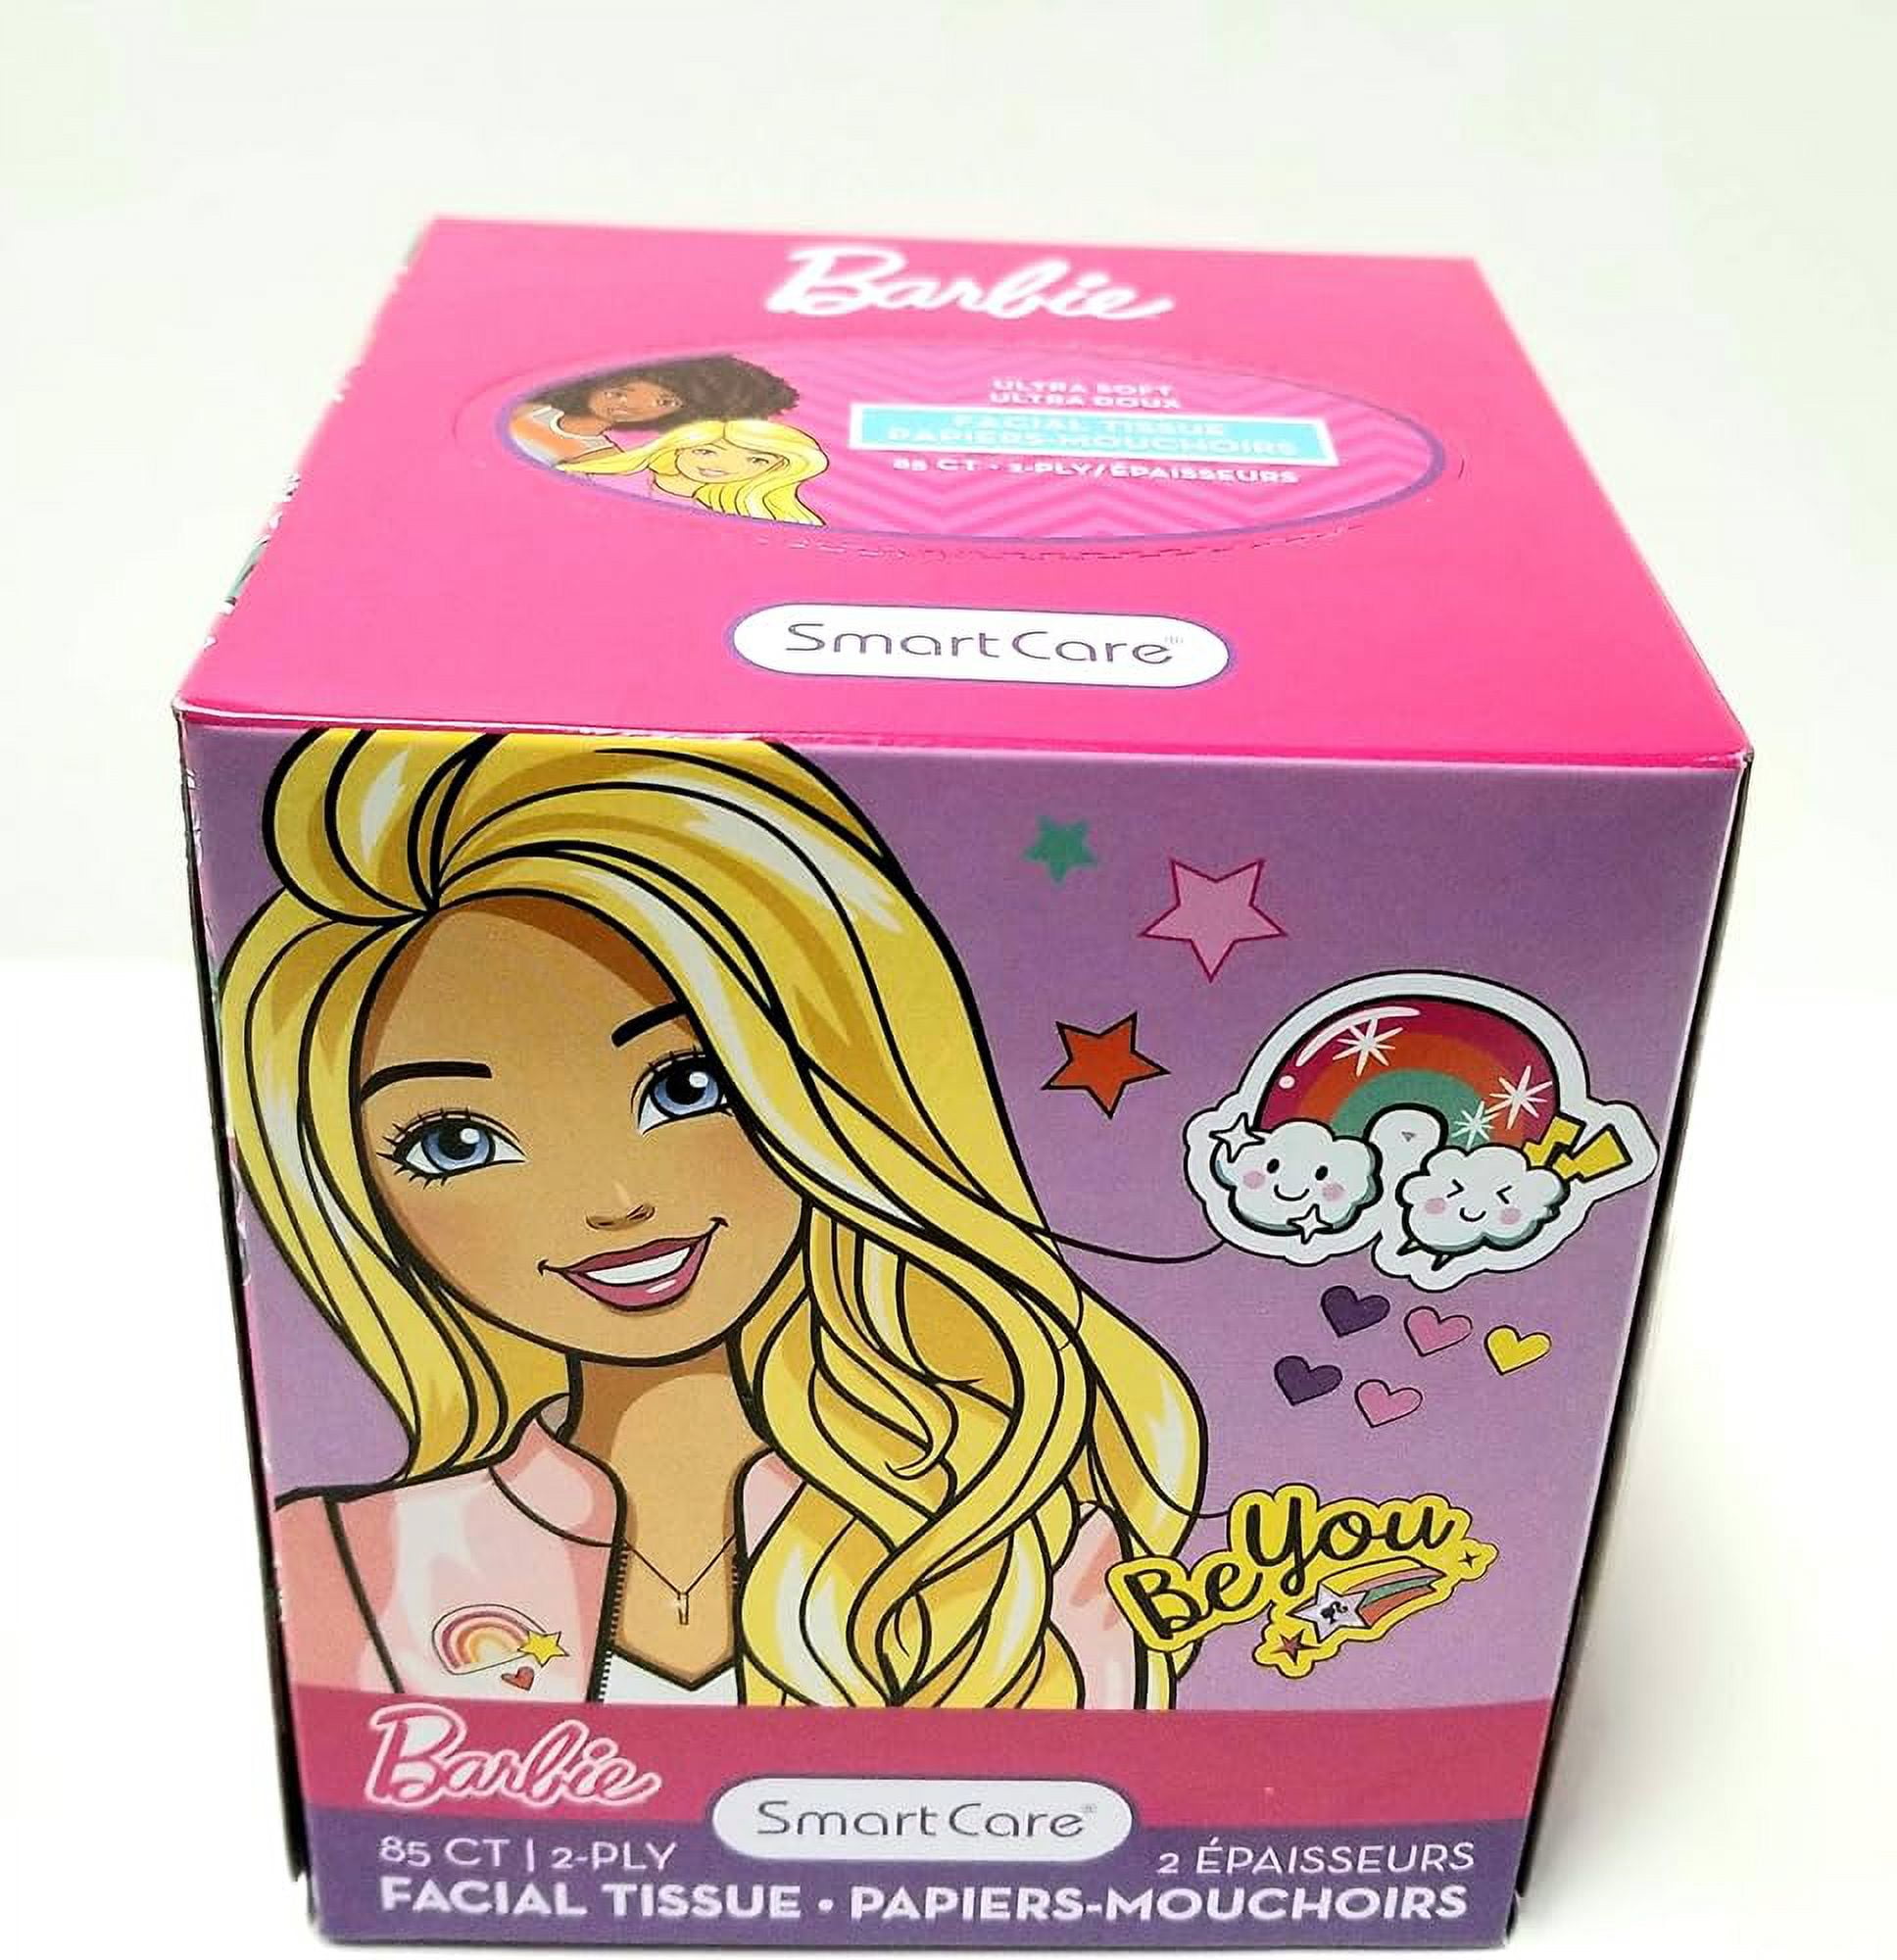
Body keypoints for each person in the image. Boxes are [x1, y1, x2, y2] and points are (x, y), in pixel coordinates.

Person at [223, 730, 1205, 1707]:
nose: (616, 1201)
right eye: (456, 1143)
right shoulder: (352, 1566)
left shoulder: (1003, 1548)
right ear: (360, 1192)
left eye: (688, 1085)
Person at [506, 356, 798, 465]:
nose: (630, 406)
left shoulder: (600, 455)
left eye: (664, 402)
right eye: (620, 392)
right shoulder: (532, 409)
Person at [560, 417, 827, 523]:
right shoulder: (601, 477)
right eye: (706, 452)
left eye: (756, 460)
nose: (723, 466)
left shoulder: (724, 513)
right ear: (678, 448)